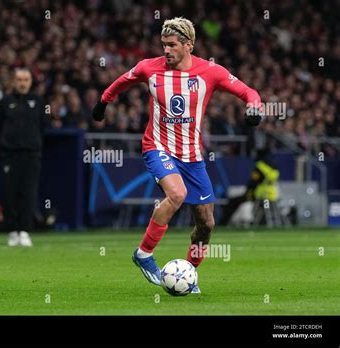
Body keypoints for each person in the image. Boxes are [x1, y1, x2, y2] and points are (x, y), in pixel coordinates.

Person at [92, 17, 263, 293]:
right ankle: (144, 254)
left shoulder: (211, 72)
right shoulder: (150, 68)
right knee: (177, 194)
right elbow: (122, 81)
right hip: (157, 147)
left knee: (206, 224)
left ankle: (188, 274)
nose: (166, 50)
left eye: (172, 45)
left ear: (189, 45)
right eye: (164, 45)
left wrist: (254, 107)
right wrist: (103, 103)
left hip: (193, 157)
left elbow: (248, 91)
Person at [0, 68, 46, 247]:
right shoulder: (5, 101)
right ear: (13, 81)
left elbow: (42, 127)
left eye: (26, 79)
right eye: (19, 79)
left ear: (30, 81)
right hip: (10, 155)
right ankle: (12, 231)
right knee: (10, 193)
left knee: (28, 192)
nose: (22, 83)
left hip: (31, 154)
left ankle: (25, 230)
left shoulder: (37, 101)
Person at [219, 149, 280, 226]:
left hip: (259, 195)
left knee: (232, 202)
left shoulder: (260, 166)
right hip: (272, 195)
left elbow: (253, 183)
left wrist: (247, 192)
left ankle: (223, 223)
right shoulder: (274, 169)